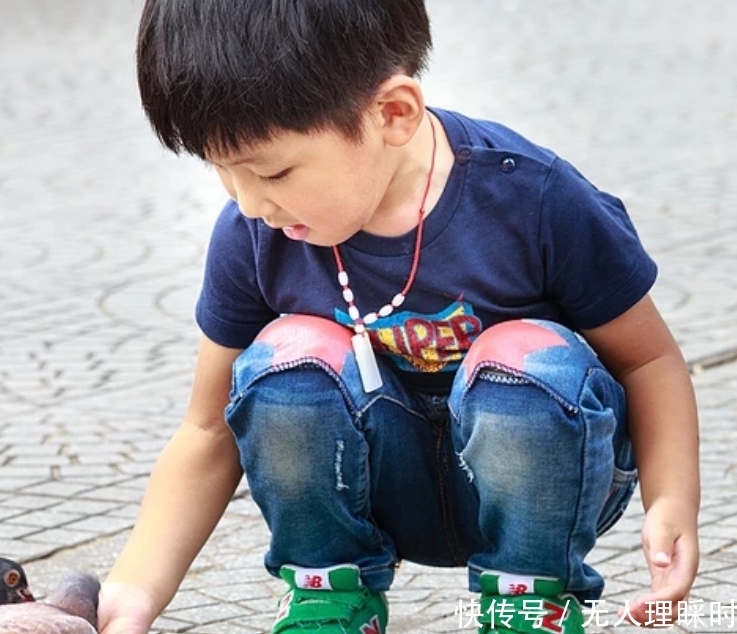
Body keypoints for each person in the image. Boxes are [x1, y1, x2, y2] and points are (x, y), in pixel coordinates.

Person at [97, 1, 700, 632]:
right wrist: (133, 591)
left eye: (273, 170)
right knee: (288, 357)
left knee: (522, 357)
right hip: (373, 486)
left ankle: (532, 601)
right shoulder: (255, 234)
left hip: (536, 486)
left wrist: (672, 500)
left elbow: (649, 359)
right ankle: (331, 598)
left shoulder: (534, 199)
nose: (251, 203)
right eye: (221, 171)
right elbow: (206, 431)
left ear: (392, 113)